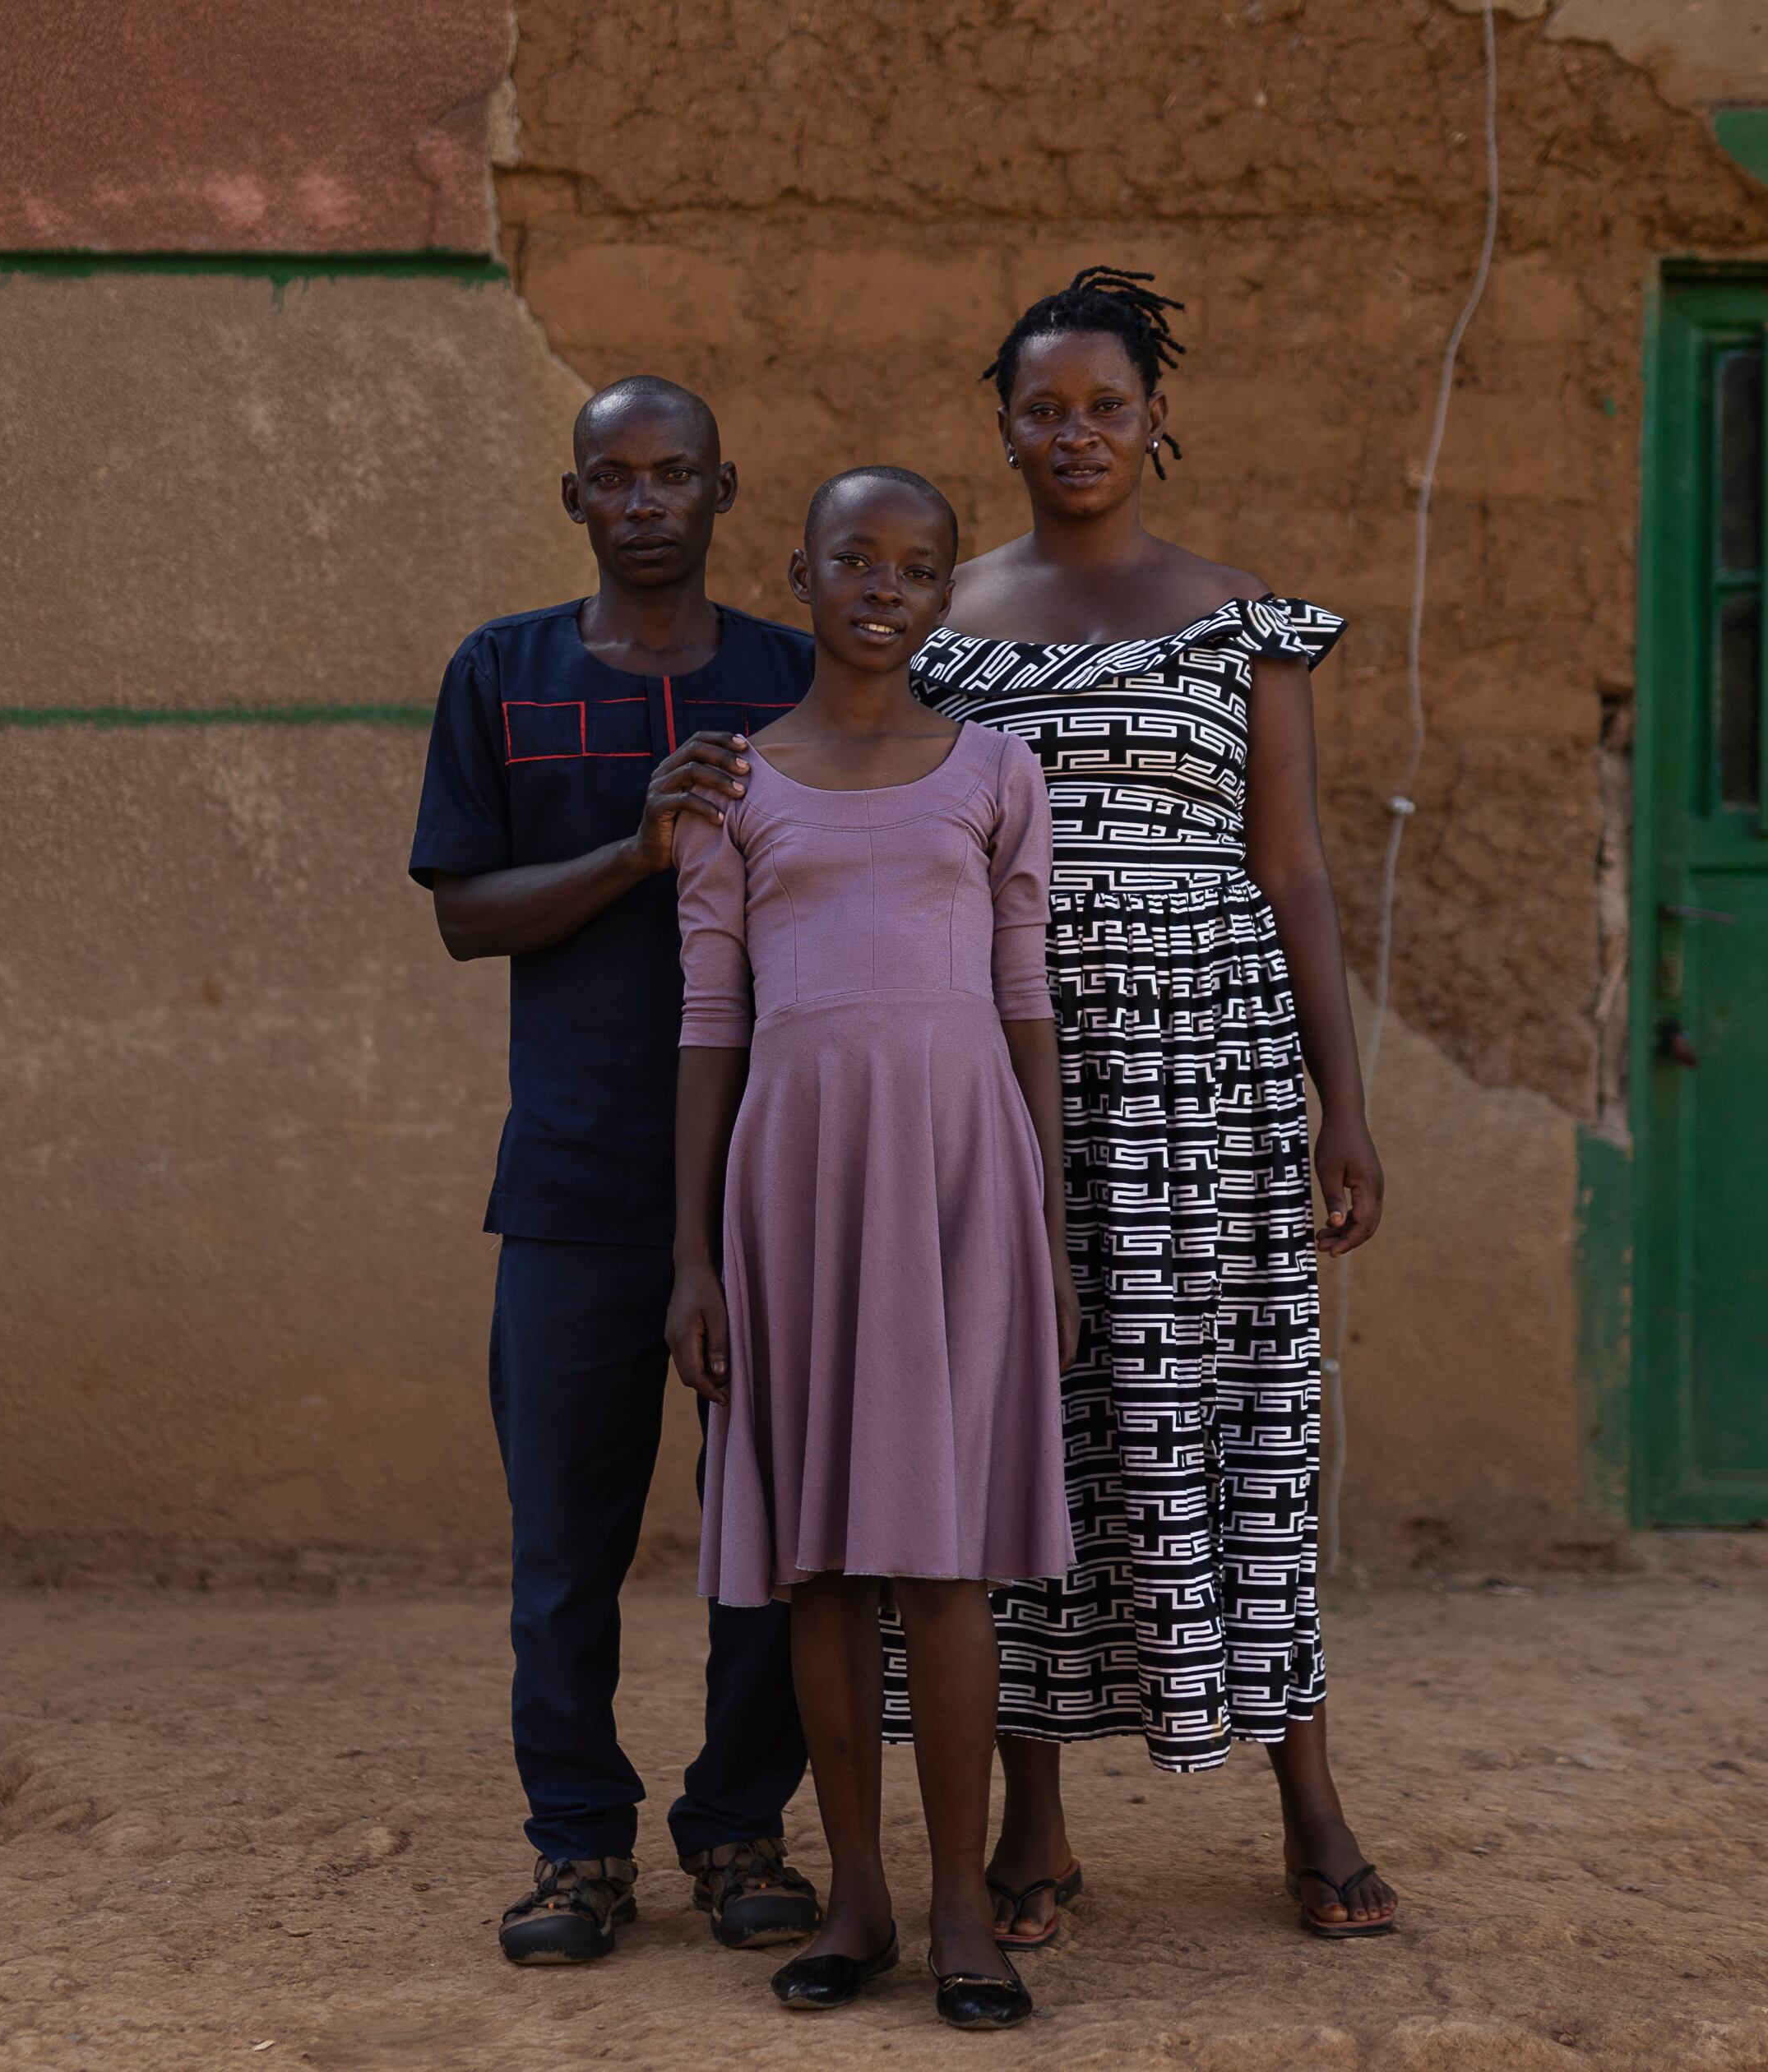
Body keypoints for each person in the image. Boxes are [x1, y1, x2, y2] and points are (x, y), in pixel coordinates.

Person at [907, 267, 1403, 1942]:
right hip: (1014, 1079)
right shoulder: (947, 627)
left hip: (1216, 1087)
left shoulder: (1238, 617)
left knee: (1245, 1428)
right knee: (1028, 1433)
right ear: (1004, 427)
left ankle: (1311, 1806)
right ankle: (1034, 1832)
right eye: (1042, 409)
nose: (1075, 434)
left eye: (1105, 406)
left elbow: (1295, 869)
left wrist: (1345, 1102)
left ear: (1154, 420)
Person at [410, 375, 822, 1966]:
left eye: (675, 474)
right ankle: (576, 1849)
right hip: (577, 1181)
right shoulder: (502, 674)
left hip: (774, 1182)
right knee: (565, 1547)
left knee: (772, 1533)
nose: (645, 501)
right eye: (614, 477)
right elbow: (463, 915)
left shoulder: (799, 680)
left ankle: (738, 1831)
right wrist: (628, 854)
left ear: (727, 491)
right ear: (572, 498)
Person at [667, 467, 1076, 2031]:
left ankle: (967, 1905)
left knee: (945, 1555)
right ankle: (857, 1900)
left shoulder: (993, 771)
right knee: (823, 1562)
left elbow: (1024, 1001)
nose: (884, 586)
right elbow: (712, 1019)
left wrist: (1045, 1226)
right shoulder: (734, 784)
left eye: (918, 566)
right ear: (805, 573)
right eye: (856, 559)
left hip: (960, 1171)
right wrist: (694, 1258)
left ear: (944, 591)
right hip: (797, 1186)